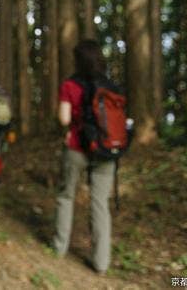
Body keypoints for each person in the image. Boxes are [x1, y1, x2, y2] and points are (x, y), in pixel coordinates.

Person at [53, 40, 116, 274]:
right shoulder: (110, 85)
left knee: (66, 196)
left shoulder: (70, 84)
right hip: (106, 151)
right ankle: (101, 262)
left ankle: (59, 248)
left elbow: (64, 119)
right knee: (100, 204)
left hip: (77, 148)